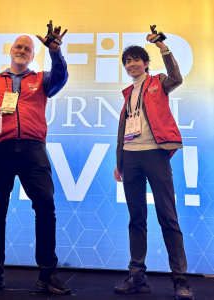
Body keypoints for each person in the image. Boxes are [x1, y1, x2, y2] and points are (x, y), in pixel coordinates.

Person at [0, 21, 70, 295]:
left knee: (46, 208)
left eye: (28, 49)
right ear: (11, 50)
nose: (22, 51)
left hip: (32, 150)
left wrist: (55, 51)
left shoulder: (41, 79)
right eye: (19, 46)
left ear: (32, 56)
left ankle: (47, 274)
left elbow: (61, 76)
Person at [113, 33, 194, 300]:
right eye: (127, 61)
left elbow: (177, 77)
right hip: (131, 158)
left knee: (167, 216)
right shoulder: (128, 93)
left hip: (155, 155)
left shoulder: (159, 82)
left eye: (135, 59)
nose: (131, 64)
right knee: (136, 219)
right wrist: (120, 163)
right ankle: (137, 277)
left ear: (146, 63)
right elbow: (124, 129)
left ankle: (180, 280)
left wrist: (162, 46)